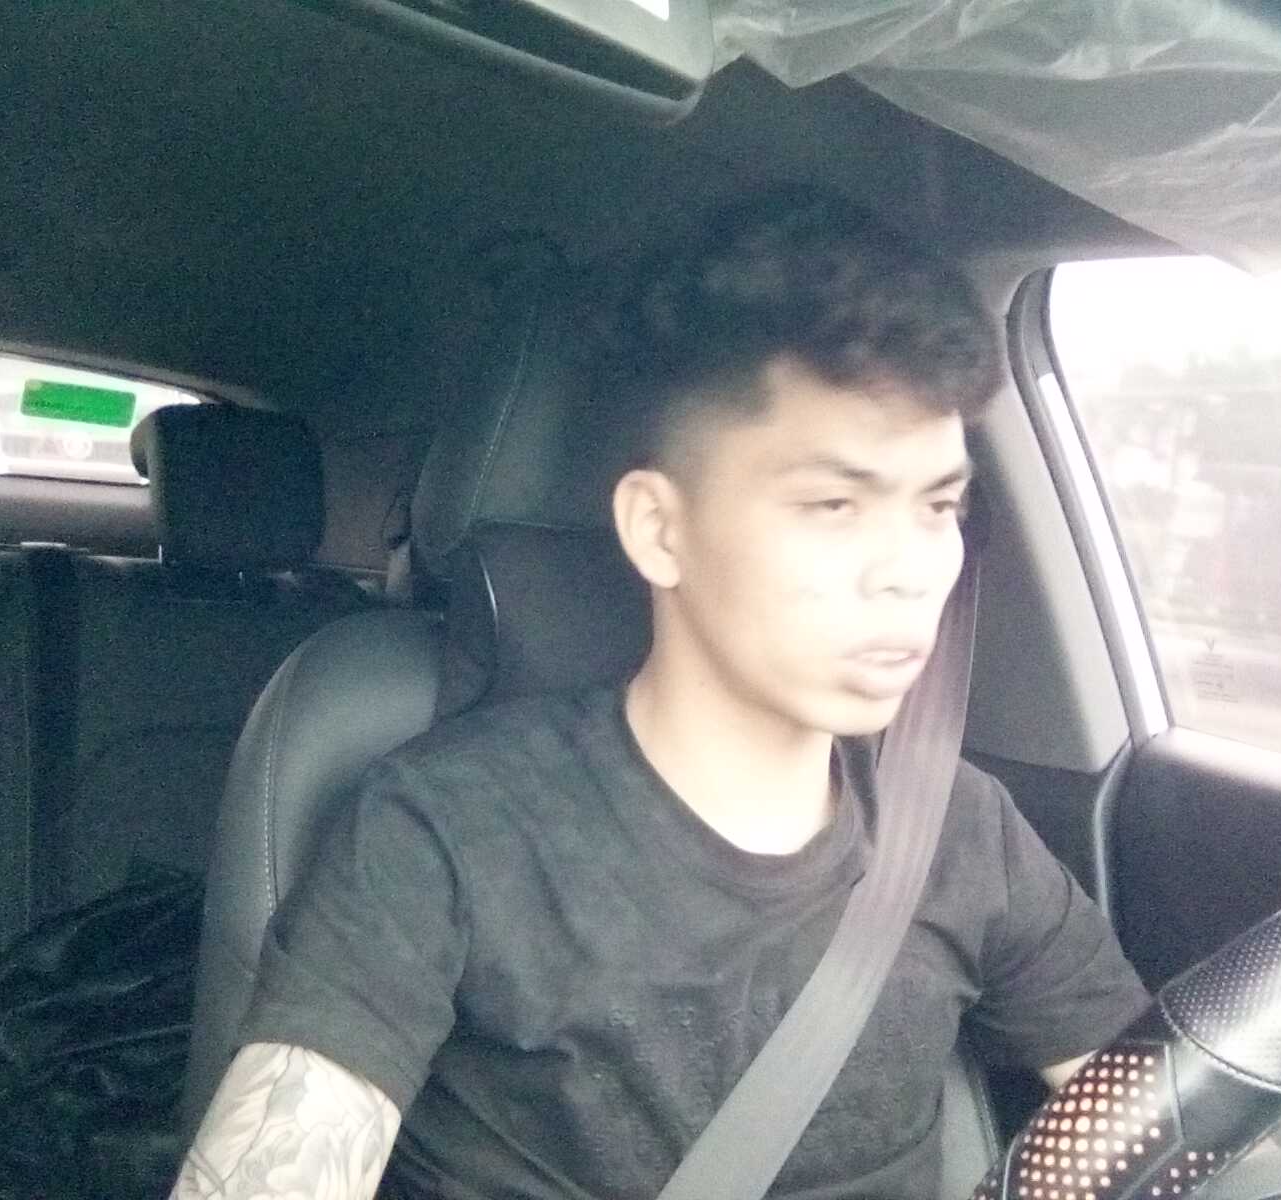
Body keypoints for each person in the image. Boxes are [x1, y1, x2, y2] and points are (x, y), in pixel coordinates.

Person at [171, 193, 1150, 1199]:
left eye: (939, 507)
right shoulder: (445, 830)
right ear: (658, 529)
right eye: (833, 505)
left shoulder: (960, 830)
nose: (910, 572)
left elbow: (1158, 1130)